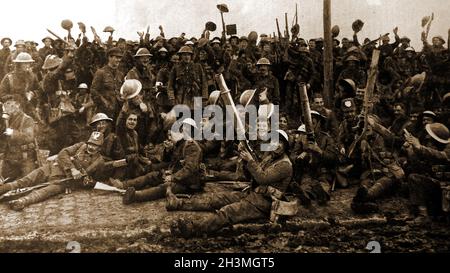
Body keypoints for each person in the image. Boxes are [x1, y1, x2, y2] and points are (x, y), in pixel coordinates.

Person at [169, 130, 293, 238]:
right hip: (253, 195)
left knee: (228, 212)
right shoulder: (270, 158)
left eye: (280, 143)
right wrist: (245, 161)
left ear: (285, 147)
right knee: (218, 198)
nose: (276, 145)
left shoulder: (284, 165)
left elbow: (262, 178)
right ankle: (179, 203)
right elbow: (251, 176)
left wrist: (250, 160)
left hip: (264, 204)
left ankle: (193, 228)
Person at [0, 132, 107, 211]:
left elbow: (92, 180)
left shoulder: (99, 162)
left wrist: (80, 183)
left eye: (95, 145)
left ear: (100, 148)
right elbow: (62, 153)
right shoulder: (80, 146)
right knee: (26, 180)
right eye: (91, 144)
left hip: (64, 180)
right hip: (52, 168)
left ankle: (21, 202)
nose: (92, 147)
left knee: (45, 191)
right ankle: (2, 189)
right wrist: (73, 169)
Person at [114, 118, 204, 204]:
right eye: (184, 127)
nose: (184, 129)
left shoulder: (192, 146)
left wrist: (173, 177)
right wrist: (168, 151)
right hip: (179, 177)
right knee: (153, 176)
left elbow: (190, 169)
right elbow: (171, 161)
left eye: (187, 127)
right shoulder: (182, 144)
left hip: (188, 183)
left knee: (164, 187)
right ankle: (123, 185)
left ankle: (135, 196)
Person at [405, 123, 450, 224]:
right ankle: (423, 215)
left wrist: (420, 148)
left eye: (430, 137)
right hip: (437, 187)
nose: (427, 138)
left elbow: (442, 156)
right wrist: (411, 150)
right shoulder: (431, 147)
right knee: (414, 178)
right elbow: (419, 166)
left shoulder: (447, 148)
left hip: (447, 188)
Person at [0, 95, 38, 181]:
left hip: (25, 158)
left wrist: (13, 133)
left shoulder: (27, 119)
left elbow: (29, 137)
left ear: (17, 105)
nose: (6, 106)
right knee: (4, 182)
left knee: (28, 182)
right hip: (10, 158)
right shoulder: (6, 120)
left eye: (9, 103)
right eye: (5, 104)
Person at [91, 47, 125, 120]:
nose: (118, 60)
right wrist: (104, 103)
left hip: (118, 109)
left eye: (120, 58)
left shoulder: (120, 74)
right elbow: (93, 91)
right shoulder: (101, 72)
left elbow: (121, 90)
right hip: (104, 111)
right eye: (116, 57)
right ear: (109, 57)